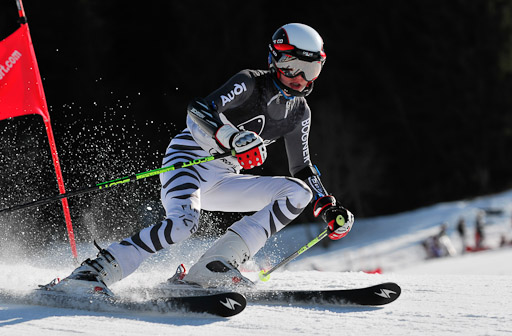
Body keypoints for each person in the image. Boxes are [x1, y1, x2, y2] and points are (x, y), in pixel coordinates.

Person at [49, 23, 354, 294]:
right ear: (276, 59)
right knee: (183, 224)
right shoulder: (250, 83)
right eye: (292, 67)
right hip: (188, 161)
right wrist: (232, 137)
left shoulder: (299, 112)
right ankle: (95, 270)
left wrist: (327, 205)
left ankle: (214, 266)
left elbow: (301, 167)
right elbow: (198, 110)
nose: (300, 79)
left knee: (297, 193)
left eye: (311, 70)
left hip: (224, 179)